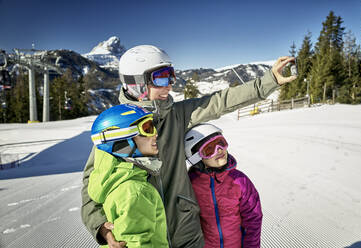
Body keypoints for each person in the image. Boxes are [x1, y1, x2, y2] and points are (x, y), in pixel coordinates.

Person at [81, 44, 296, 248]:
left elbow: (220, 101)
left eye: (171, 76)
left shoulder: (175, 115)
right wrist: (101, 227)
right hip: (144, 236)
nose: (170, 85)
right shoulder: (116, 129)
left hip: (186, 233)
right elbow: (94, 184)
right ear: (137, 84)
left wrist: (269, 81)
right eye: (161, 78)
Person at [88, 103, 168, 247]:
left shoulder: (115, 179)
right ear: (123, 141)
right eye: (147, 128)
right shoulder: (134, 191)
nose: (155, 133)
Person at [184, 123, 262, 248]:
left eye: (221, 143)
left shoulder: (239, 181)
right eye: (209, 149)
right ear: (196, 158)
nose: (219, 150)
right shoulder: (190, 183)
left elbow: (253, 218)